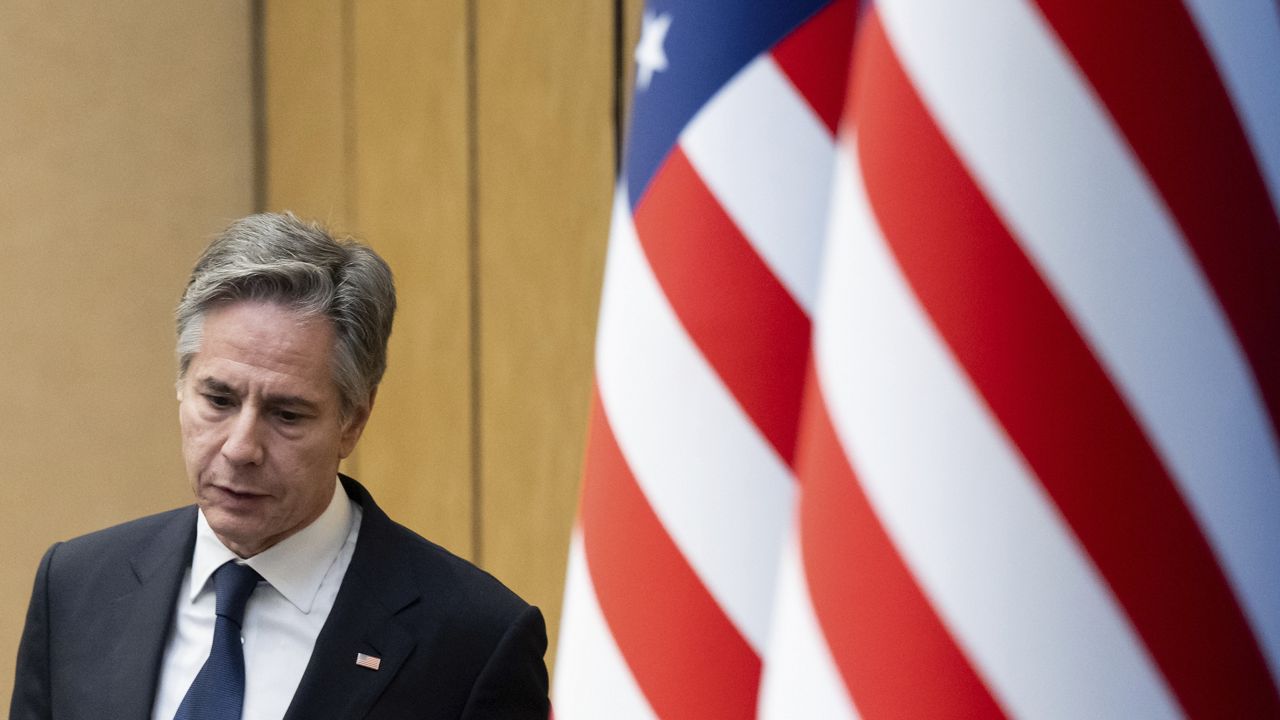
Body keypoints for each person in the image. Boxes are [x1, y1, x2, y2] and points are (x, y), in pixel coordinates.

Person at [9, 213, 550, 719]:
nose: (241, 448)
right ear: (180, 386)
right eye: (218, 400)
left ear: (353, 421)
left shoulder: (475, 641)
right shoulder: (76, 587)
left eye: (286, 414)